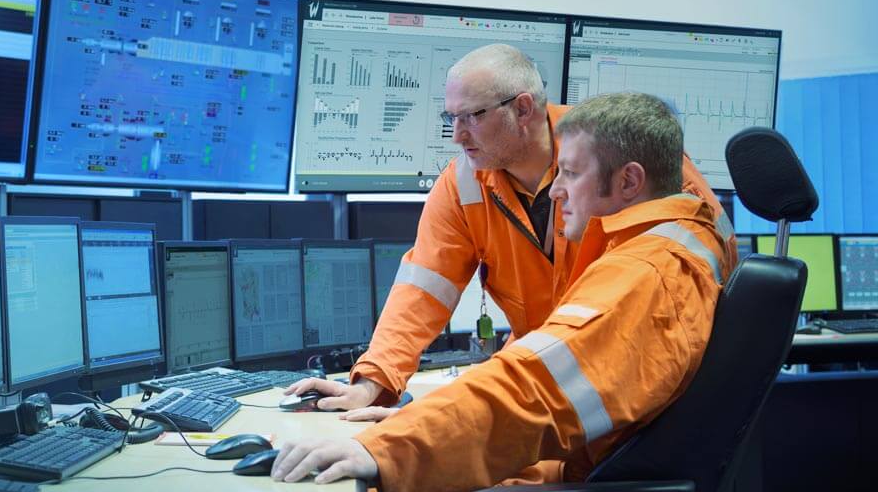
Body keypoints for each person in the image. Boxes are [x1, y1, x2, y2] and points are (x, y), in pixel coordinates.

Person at [273, 92, 725, 492]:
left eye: (571, 174)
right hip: (592, 476)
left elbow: (533, 390)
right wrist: (394, 398)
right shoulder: (663, 238)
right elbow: (433, 293)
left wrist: (384, 450)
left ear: (629, 181)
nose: (557, 190)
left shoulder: (642, 274)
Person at [286, 44, 735, 416]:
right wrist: (372, 383)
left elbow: (708, 258)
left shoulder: (619, 154)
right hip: (546, 378)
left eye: (472, 116)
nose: (457, 136)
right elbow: (421, 290)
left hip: (635, 387)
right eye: (450, 118)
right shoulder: (463, 184)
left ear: (523, 108)